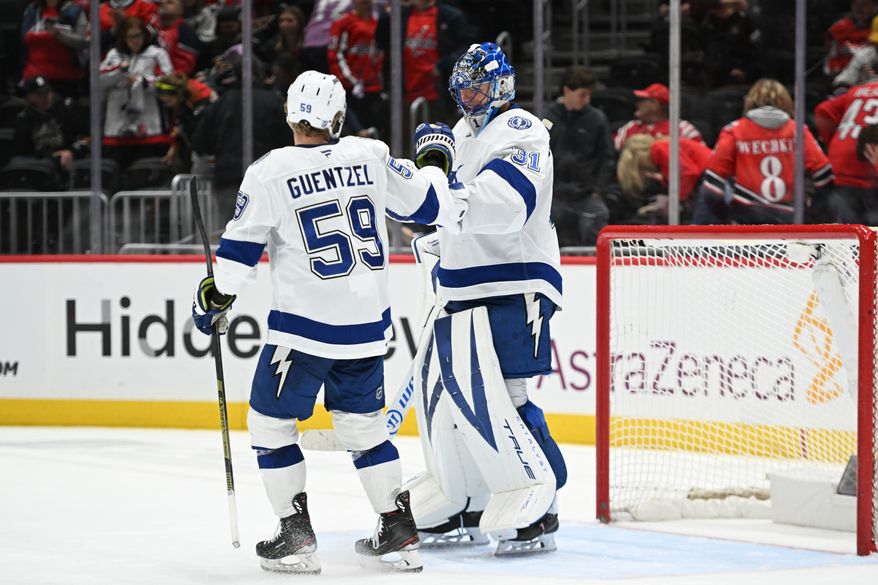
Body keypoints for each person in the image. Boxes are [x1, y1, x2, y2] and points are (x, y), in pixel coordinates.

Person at [190, 70, 463, 574]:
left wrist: (212, 299)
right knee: (363, 429)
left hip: (304, 330)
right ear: (337, 116)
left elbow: (235, 260)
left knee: (271, 423)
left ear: (290, 113)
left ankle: (294, 535)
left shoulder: (270, 170)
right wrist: (434, 161)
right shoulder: (371, 154)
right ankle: (398, 529)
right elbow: (431, 204)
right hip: (365, 329)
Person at [404, 42, 567, 555]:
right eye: (463, 90)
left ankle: (544, 505)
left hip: (514, 283)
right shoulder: (458, 135)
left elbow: (506, 205)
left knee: (509, 398)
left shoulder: (523, 130)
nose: (471, 98)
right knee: (458, 400)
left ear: (502, 86)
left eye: (479, 87)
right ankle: (469, 500)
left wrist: (439, 189)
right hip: (460, 283)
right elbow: (442, 211)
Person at [700, 79, 833, 224]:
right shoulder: (798, 130)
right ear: (786, 102)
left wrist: (724, 216)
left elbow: (712, 182)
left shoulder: (735, 130)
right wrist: (816, 211)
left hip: (746, 218)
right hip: (790, 220)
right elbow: (824, 174)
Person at [543, 65, 613, 246]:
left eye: (588, 94)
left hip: (587, 193)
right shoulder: (547, 117)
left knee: (598, 219)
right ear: (567, 91)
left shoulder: (597, 119)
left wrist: (599, 190)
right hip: (555, 194)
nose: (587, 100)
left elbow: (607, 157)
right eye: (582, 94)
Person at [99, 16, 173, 170]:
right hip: (116, 128)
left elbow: (169, 84)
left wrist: (144, 82)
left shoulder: (157, 54)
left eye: (137, 36)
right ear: (123, 37)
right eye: (130, 36)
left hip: (150, 127)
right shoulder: (113, 55)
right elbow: (99, 80)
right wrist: (120, 72)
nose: (134, 40)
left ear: (145, 35)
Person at [815, 77, 878, 223]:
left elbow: (823, 110)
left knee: (847, 232)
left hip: (841, 160)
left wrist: (833, 142)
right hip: (869, 165)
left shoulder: (857, 90)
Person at [616, 133, 711, 223]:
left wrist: (675, 200)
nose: (647, 171)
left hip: (708, 176)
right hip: (706, 177)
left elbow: (688, 174)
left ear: (641, 156)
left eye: (642, 167)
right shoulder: (663, 150)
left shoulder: (658, 147)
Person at [328, 0, 385, 135]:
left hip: (372, 87)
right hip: (349, 88)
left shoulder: (377, 23)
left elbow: (379, 54)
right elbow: (335, 54)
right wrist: (350, 81)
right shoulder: (343, 22)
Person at [21, 0, 88, 100]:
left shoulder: (75, 11)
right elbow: (24, 38)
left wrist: (59, 35)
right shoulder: (33, 9)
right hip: (34, 78)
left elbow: (83, 42)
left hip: (64, 79)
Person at [612, 82, 703, 151]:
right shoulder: (630, 128)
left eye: (643, 100)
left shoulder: (683, 128)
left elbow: (701, 155)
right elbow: (611, 152)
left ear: (655, 104)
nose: (637, 104)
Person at [824, 0, 878, 78]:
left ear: (875, 7)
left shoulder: (876, 25)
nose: (859, 8)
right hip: (840, 78)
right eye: (855, 4)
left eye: (864, 4)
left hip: (870, 79)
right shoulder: (838, 28)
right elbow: (830, 57)